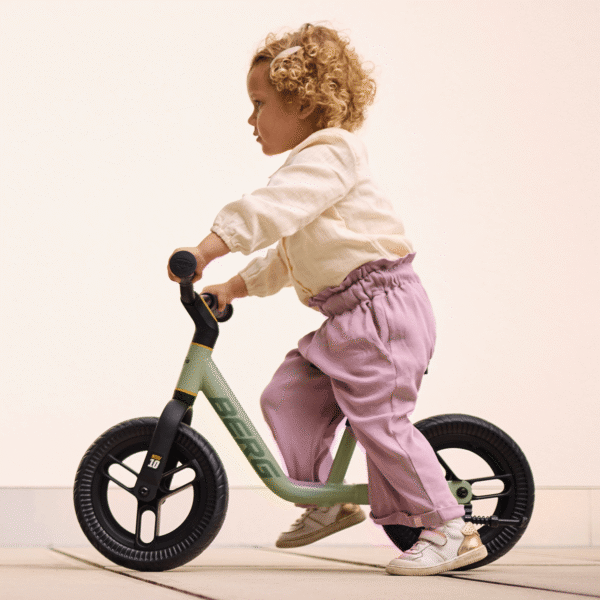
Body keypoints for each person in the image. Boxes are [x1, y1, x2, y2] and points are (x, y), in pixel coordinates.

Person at [168, 23, 487, 576]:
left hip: (381, 312)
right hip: (347, 317)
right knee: (286, 395)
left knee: (381, 420)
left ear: (303, 101)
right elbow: (289, 255)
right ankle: (324, 499)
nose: (251, 119)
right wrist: (235, 286)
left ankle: (448, 528)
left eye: (260, 103)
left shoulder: (331, 153)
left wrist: (208, 249)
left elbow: (270, 209)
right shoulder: (308, 178)